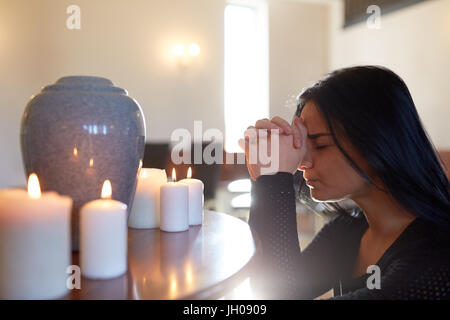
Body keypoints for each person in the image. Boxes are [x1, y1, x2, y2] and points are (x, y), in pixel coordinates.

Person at [239, 65, 450, 299]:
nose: (302, 163)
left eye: (320, 145)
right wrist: (265, 180)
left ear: (377, 142)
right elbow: (269, 291)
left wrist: (274, 184)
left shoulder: (436, 258)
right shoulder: (347, 232)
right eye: (303, 147)